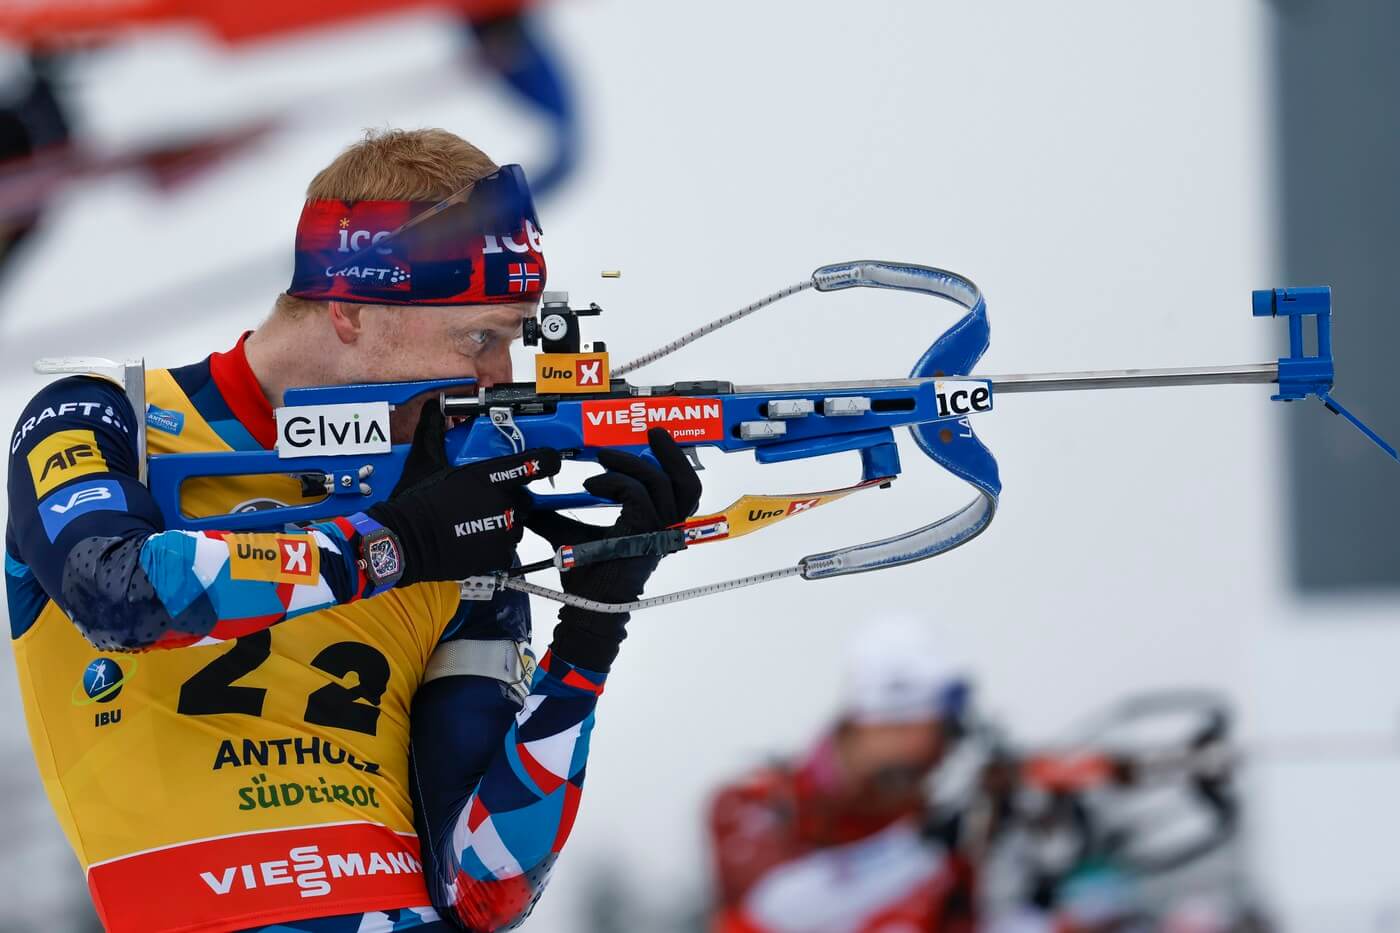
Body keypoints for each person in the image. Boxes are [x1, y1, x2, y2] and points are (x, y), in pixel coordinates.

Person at [5, 127, 700, 932]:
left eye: (511, 340)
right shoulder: (106, 416)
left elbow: (486, 888)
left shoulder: (455, 519)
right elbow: (119, 593)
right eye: (479, 338)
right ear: (349, 310)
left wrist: (587, 638)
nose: (496, 379)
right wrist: (392, 545)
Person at [708, 618, 971, 933]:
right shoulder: (756, 800)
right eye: (905, 728)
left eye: (938, 737)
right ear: (864, 726)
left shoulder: (942, 821)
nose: (932, 757)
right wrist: (919, 848)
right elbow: (770, 910)